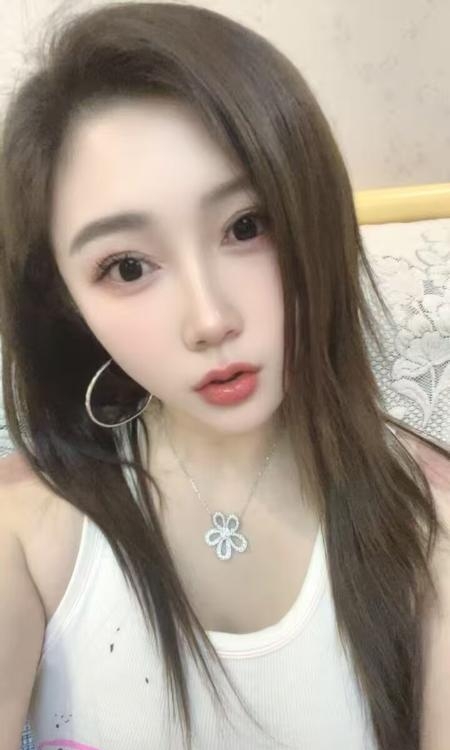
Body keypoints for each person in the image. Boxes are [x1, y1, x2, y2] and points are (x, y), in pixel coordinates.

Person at [0, 3, 449, 749]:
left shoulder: (427, 522)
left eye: (247, 226)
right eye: (128, 267)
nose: (209, 319)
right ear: (67, 300)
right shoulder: (25, 527)